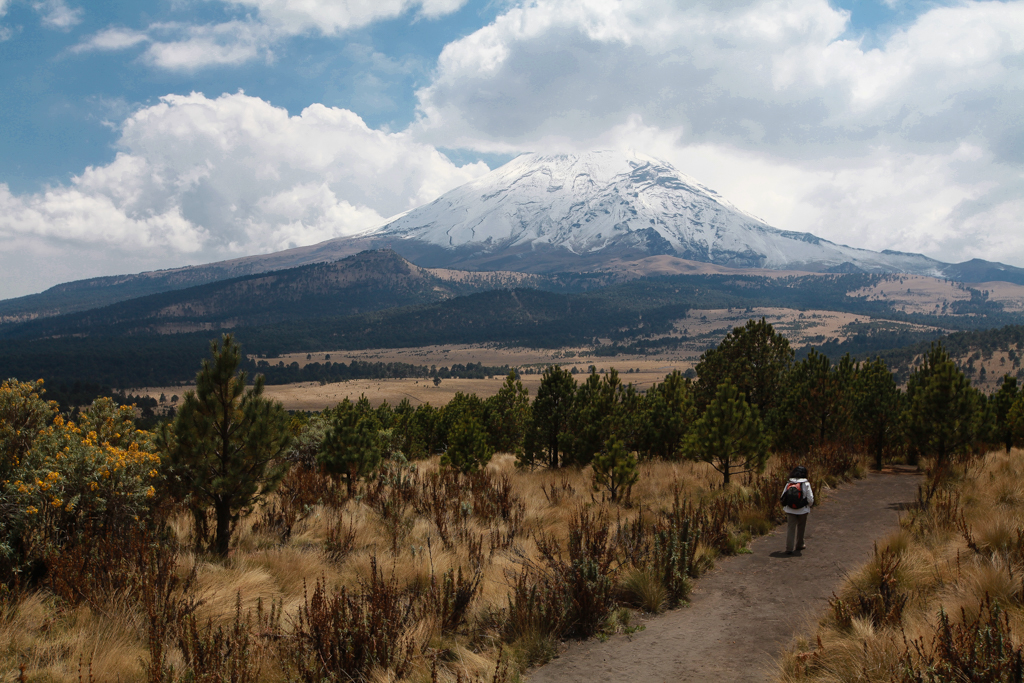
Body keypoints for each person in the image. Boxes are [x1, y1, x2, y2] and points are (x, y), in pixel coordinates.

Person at [781, 465, 814, 554]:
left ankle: (789, 548)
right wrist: (808, 506)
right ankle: (800, 544)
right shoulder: (806, 483)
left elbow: (783, 496)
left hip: (790, 509)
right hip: (803, 510)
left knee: (790, 528)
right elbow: (810, 498)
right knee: (801, 527)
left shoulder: (789, 483)